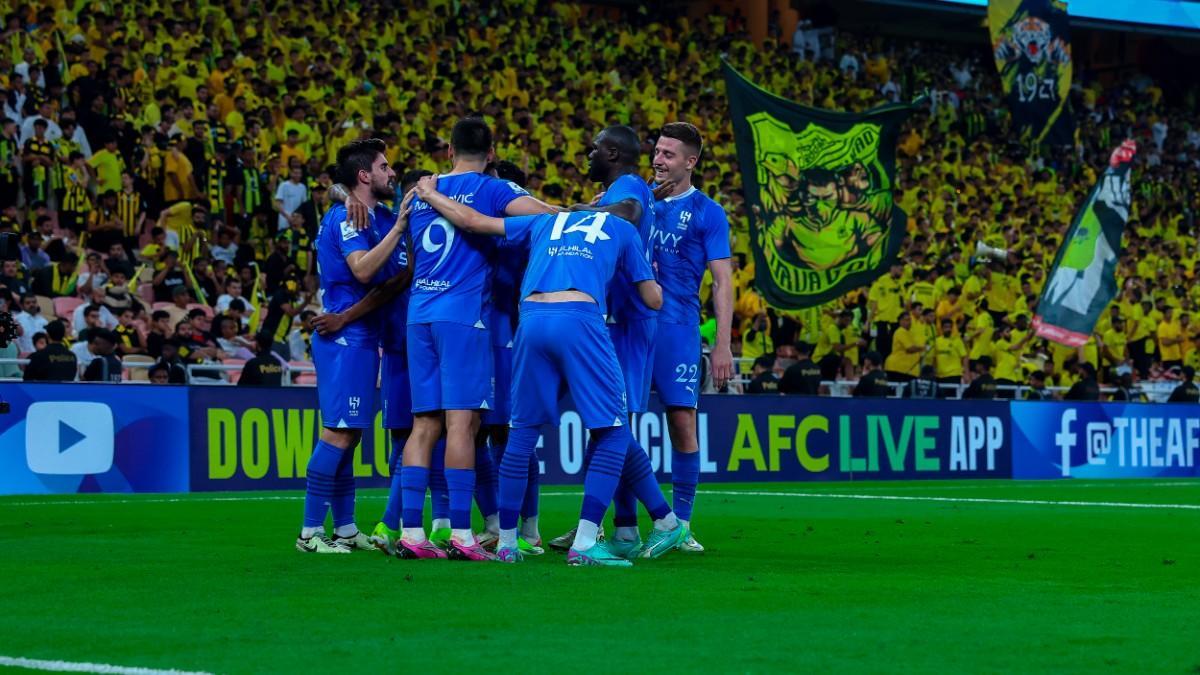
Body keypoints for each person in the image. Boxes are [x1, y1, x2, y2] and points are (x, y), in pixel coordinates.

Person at [415, 173, 686, 566]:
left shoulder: (547, 220)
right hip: (580, 319)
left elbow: (475, 222)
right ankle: (587, 542)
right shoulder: (622, 228)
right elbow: (653, 299)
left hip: (531, 320)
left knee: (521, 433)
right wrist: (654, 275)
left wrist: (429, 193)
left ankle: (507, 542)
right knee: (612, 431)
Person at [342, 119, 556, 561]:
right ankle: (461, 532)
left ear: (448, 150)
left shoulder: (418, 194)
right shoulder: (491, 190)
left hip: (419, 316)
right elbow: (545, 215)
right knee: (464, 424)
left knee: (425, 425)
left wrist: (341, 193)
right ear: (492, 154)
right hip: (462, 320)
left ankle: (413, 533)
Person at [297, 138, 410, 555]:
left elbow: (394, 281)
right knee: (338, 434)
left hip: (363, 337)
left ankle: (343, 527)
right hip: (344, 338)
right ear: (365, 175)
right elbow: (364, 271)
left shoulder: (374, 214)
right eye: (384, 167)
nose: (391, 172)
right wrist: (398, 229)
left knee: (351, 435)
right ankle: (309, 533)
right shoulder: (350, 220)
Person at [642, 121, 733, 553]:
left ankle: (681, 523)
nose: (658, 160)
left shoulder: (708, 213)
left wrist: (722, 344)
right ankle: (616, 526)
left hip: (677, 329)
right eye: (657, 152)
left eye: (668, 154)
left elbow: (722, 281)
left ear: (690, 162)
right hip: (631, 328)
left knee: (682, 424)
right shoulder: (636, 200)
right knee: (612, 425)